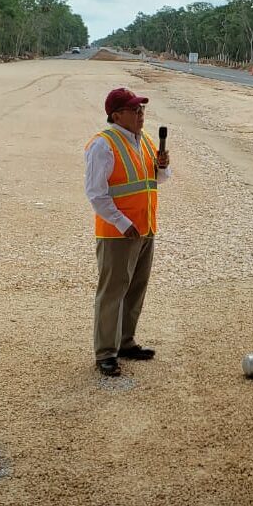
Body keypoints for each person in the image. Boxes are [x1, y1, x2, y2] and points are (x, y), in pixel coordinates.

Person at [84, 87, 170, 376]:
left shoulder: (145, 141)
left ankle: (125, 341)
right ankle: (106, 352)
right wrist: (122, 222)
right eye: (135, 110)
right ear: (116, 115)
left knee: (135, 287)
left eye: (142, 109)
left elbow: (155, 180)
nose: (141, 114)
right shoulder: (103, 145)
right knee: (112, 291)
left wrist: (163, 167)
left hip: (145, 228)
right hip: (117, 233)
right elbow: (96, 193)